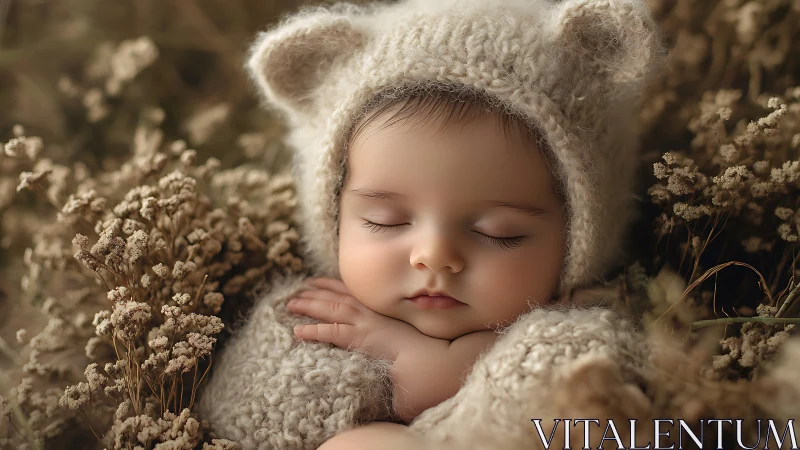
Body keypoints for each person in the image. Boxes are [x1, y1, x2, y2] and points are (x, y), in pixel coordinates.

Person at [197, 0, 666, 448]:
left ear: (575, 242)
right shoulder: (315, 315)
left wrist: (440, 371)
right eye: (386, 220)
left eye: (498, 232)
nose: (434, 255)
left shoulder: (581, 340)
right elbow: (246, 416)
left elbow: (582, 421)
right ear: (337, 218)